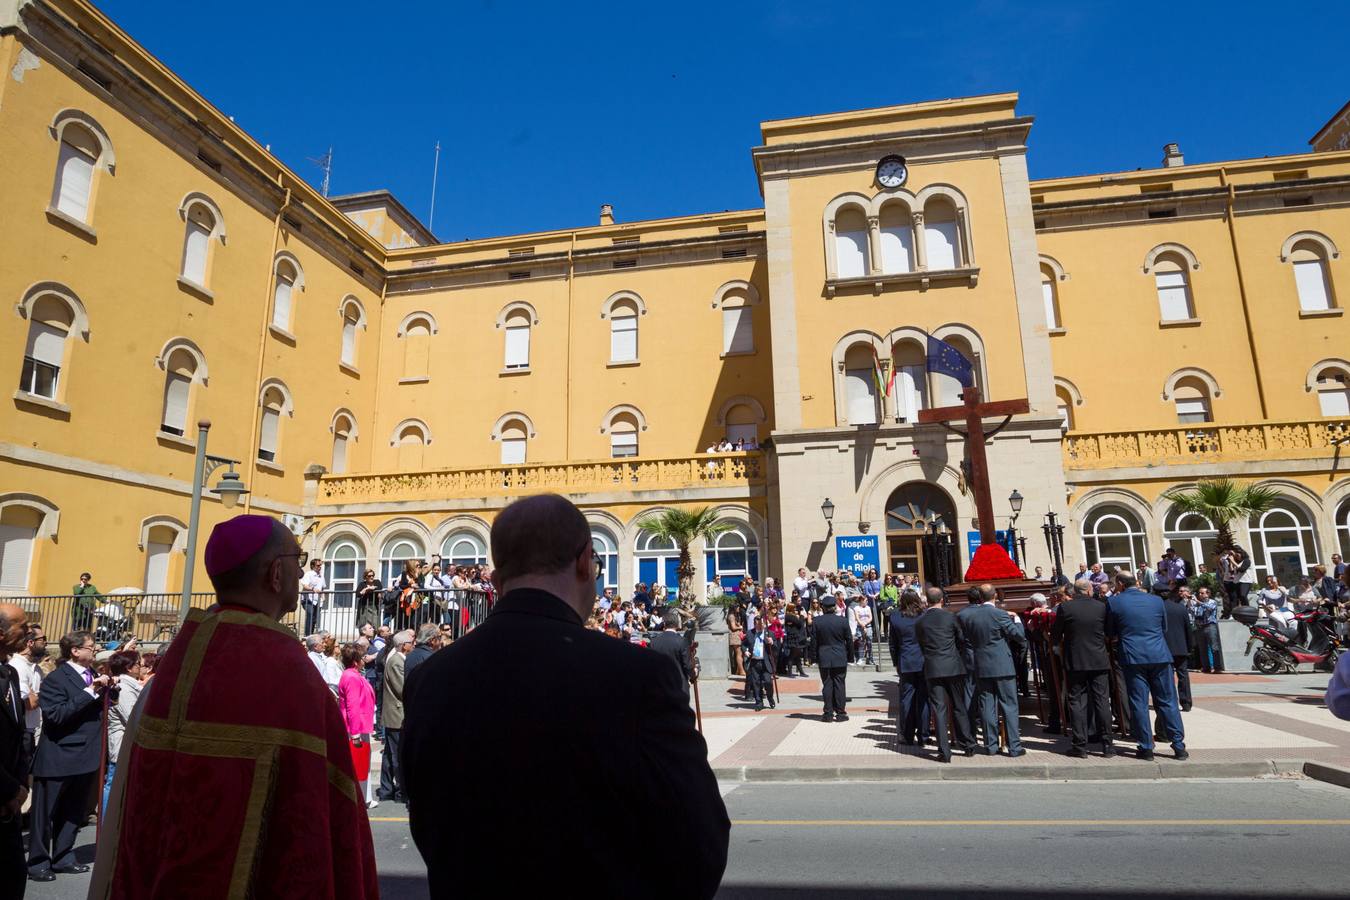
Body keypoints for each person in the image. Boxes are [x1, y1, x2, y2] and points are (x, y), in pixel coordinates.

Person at [400, 495, 727, 897]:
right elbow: (700, 841)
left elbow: (427, 824)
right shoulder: (637, 676)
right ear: (585, 562)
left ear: (497, 580)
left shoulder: (429, 678)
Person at [88, 514, 377, 899]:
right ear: (276, 573)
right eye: (298, 560)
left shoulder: (178, 659)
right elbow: (329, 816)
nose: (302, 570)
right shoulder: (289, 672)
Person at [26, 631, 110, 882]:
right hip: (59, 756)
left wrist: (108, 692)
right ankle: (38, 861)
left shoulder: (93, 675)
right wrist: (89, 692)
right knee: (45, 814)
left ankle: (63, 856)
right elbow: (57, 716)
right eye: (90, 647)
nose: (94, 650)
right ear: (75, 650)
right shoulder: (56, 680)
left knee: (73, 811)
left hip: (86, 754)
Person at [1106, 572, 1186, 761]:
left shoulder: (1115, 602)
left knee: (1139, 703)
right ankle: (1178, 745)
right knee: (1168, 701)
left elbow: (1110, 631)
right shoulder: (1156, 601)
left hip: (1133, 656)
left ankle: (1146, 746)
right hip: (1159, 654)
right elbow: (1163, 627)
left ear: (1119, 583)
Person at [958, 584, 1027, 757]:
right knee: (1009, 705)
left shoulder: (970, 616)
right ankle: (1014, 746)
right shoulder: (999, 614)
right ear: (994, 595)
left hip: (981, 665)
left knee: (987, 707)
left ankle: (990, 746)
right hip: (1002, 665)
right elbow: (1018, 636)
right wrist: (1017, 620)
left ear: (980, 597)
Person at [1052, 580, 1116, 758]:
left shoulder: (1066, 607)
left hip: (1076, 660)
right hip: (1098, 659)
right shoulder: (1101, 606)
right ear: (1089, 591)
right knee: (1102, 701)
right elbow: (1109, 633)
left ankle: (1080, 745)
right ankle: (1107, 744)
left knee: (1076, 702)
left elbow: (1056, 634)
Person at [914, 588, 977, 762]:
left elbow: (922, 645)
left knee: (939, 709)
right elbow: (961, 639)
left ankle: (944, 751)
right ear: (941, 599)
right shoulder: (950, 617)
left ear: (927, 602)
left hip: (933, 667)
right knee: (959, 705)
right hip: (952, 666)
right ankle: (968, 745)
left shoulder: (920, 622)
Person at [0, 604, 30, 899]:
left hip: (9, 805)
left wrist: (20, 787)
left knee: (13, 880)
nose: (29, 630)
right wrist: (10, 789)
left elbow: (19, 735)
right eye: (22, 625)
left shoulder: (10, 673)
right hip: (3, 794)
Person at [102, 650, 146, 817]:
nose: (141, 667)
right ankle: (106, 821)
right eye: (138, 664)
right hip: (121, 747)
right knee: (113, 786)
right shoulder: (124, 688)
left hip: (126, 746)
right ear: (128, 668)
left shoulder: (130, 686)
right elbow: (132, 717)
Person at [338, 643, 379, 809]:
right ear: (355, 661)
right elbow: (352, 707)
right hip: (356, 727)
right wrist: (354, 733)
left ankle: (364, 797)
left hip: (361, 725)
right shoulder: (352, 677)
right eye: (362, 658)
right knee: (359, 764)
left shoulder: (353, 675)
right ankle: (360, 798)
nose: (364, 660)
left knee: (363, 763)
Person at [887, 590, 929, 746]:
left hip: (906, 661)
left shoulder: (896, 617)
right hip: (923, 660)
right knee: (924, 699)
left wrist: (896, 662)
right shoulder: (924, 615)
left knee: (907, 700)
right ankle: (924, 736)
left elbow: (893, 644)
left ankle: (907, 735)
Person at [377, 629, 414, 804]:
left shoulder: (398, 660)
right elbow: (402, 688)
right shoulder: (396, 662)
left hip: (394, 714)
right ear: (403, 645)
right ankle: (399, 791)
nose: (413, 644)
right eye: (410, 642)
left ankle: (386, 789)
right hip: (396, 715)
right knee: (397, 754)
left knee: (390, 756)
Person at [1157, 589, 1195, 732]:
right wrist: (1190, 646)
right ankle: (1186, 702)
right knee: (1183, 675)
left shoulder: (1160, 608)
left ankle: (1171, 701)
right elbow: (1188, 628)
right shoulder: (1180, 608)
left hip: (1165, 647)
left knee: (1168, 676)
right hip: (1181, 646)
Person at [810, 594, 852, 723]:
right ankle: (840, 713)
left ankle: (828, 713)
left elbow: (814, 642)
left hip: (824, 656)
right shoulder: (843, 621)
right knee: (839, 684)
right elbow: (849, 640)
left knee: (827, 685)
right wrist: (850, 657)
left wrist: (813, 658)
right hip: (839, 656)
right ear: (834, 607)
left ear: (823, 608)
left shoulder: (817, 621)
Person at [649, 611, 693, 700]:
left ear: (664, 624)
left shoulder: (654, 641)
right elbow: (687, 665)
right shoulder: (682, 641)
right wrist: (692, 673)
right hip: (678, 683)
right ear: (676, 625)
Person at [742, 617, 777, 710]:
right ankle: (759, 702)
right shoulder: (750, 633)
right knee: (756, 683)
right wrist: (745, 651)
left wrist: (772, 642)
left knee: (768, 682)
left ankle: (770, 697)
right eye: (758, 624)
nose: (760, 626)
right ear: (754, 624)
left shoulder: (769, 634)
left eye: (762, 624)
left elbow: (776, 649)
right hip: (754, 662)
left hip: (766, 662)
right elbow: (743, 644)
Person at [1190, 586, 1224, 673]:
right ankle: (1206, 667)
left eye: (1202, 593)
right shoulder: (1197, 604)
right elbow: (1193, 612)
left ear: (1207, 594)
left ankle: (1217, 667)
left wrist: (1197, 601)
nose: (1200, 595)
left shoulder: (1212, 602)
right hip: (1200, 627)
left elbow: (1210, 608)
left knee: (1214, 647)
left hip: (1210, 626)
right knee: (1202, 648)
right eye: (1199, 593)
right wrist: (1190, 602)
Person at [300, 557, 326, 637]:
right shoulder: (309, 574)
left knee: (314, 619)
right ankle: (307, 636)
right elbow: (305, 585)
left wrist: (323, 597)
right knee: (310, 615)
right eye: (318, 565)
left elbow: (322, 588)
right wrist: (313, 589)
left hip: (317, 601)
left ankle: (311, 636)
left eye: (320, 565)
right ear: (313, 566)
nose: (319, 567)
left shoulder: (321, 576)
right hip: (308, 600)